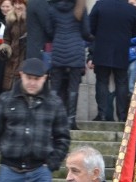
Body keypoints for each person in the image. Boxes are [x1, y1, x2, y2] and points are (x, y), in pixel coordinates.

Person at [88, 0, 136, 123]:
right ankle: (122, 116)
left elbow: (90, 27)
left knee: (101, 82)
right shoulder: (131, 9)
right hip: (121, 50)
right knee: (122, 83)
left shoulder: (100, 5)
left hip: (102, 49)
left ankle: (102, 114)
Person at [48, 0, 91, 131]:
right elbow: (85, 31)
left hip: (58, 49)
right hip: (75, 50)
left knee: (55, 85)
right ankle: (70, 120)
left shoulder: (52, 7)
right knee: (73, 86)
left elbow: (49, 30)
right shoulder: (80, 7)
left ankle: (53, 119)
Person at [0, 0, 26, 92]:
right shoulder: (10, 19)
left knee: (22, 89)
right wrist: (4, 49)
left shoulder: (30, 20)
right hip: (12, 60)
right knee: (8, 89)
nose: (17, 6)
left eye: (20, 3)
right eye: (15, 3)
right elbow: (6, 38)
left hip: (24, 59)